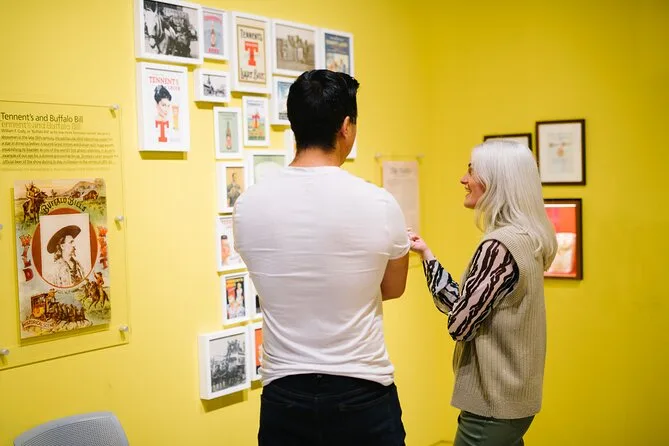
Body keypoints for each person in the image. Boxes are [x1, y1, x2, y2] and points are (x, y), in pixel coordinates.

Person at [233, 69, 410, 445]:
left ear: (294, 126)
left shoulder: (248, 205)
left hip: (284, 395)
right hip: (362, 392)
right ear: (346, 127)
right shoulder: (380, 203)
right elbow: (393, 288)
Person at [408, 140, 558, 446]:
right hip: (515, 400)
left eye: (471, 171)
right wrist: (427, 255)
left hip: (492, 404)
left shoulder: (498, 246)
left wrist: (456, 305)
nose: (463, 179)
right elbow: (468, 307)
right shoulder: (528, 237)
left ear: (495, 181)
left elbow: (459, 324)